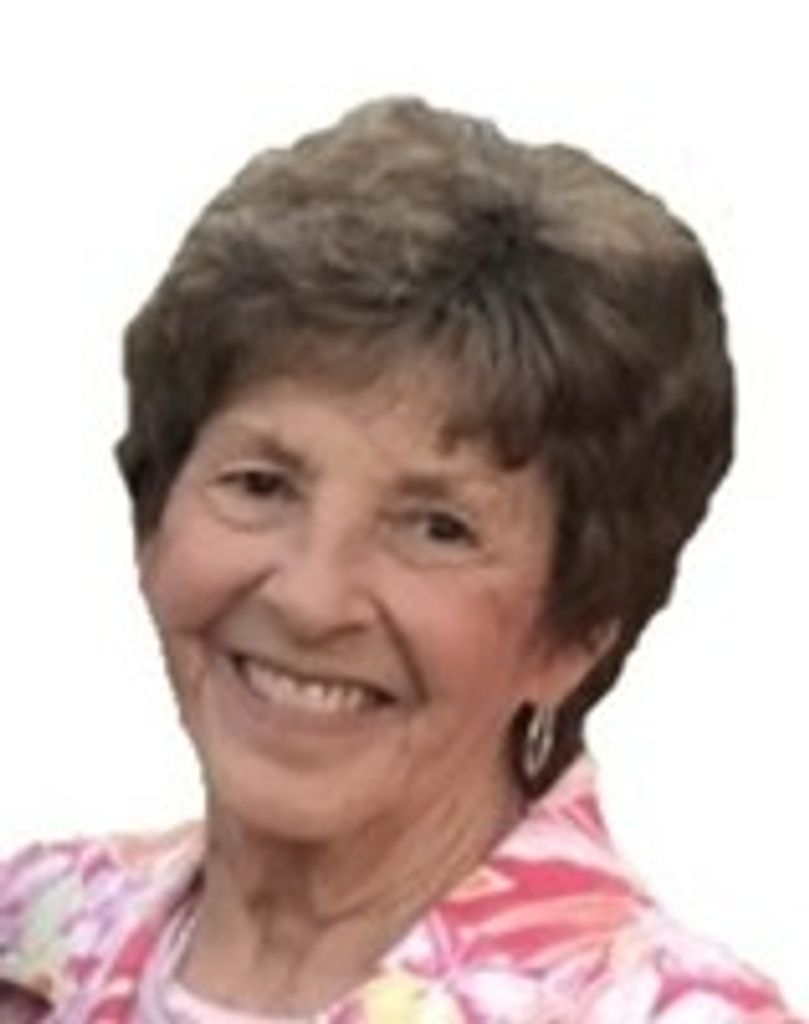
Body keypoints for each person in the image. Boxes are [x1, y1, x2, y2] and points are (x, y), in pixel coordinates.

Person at [0, 97, 802, 1023]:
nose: (311, 598)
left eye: (436, 529)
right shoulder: (33, 932)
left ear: (575, 630)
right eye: (259, 484)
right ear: (155, 517)